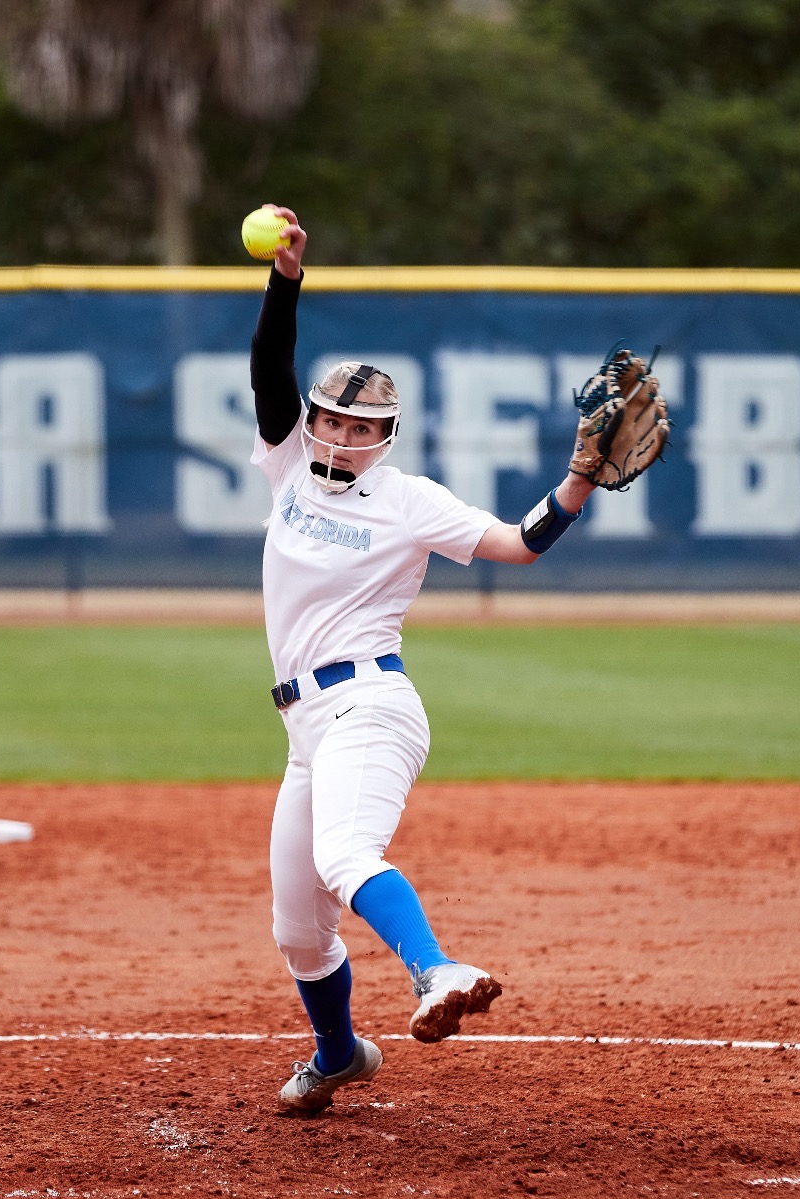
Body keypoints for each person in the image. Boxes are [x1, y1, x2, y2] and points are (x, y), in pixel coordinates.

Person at [250, 205, 598, 1115]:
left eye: (359, 426)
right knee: (298, 930)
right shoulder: (286, 467)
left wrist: (577, 483)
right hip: (304, 728)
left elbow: (518, 543)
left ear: (386, 435)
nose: (340, 435)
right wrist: (285, 278)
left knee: (346, 851)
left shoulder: (407, 501)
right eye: (331, 418)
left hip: (370, 706)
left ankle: (437, 968)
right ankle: (338, 1056)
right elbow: (269, 367)